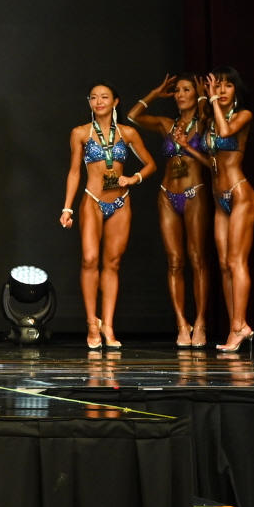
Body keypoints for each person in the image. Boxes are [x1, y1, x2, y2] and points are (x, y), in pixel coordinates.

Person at [60, 84, 156, 349]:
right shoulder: (80, 133)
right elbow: (74, 172)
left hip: (120, 202)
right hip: (92, 200)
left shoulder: (128, 133)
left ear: (115, 102)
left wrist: (133, 178)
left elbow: (151, 164)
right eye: (93, 97)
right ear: (89, 102)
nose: (98, 101)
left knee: (112, 263)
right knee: (90, 259)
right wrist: (67, 207)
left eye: (104, 97)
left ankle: (108, 326)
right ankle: (92, 323)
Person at [128, 74, 212, 346]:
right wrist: (156, 92)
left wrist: (203, 95)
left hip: (194, 193)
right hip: (167, 195)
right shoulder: (167, 124)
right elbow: (133, 116)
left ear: (195, 93)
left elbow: (208, 117)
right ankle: (181, 323)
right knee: (175, 261)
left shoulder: (204, 123)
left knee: (197, 259)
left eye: (186, 90)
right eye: (177, 90)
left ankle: (201, 322)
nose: (180, 94)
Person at [202, 67, 254, 353]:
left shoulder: (242, 115)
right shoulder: (212, 120)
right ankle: (237, 325)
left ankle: (239, 327)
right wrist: (188, 147)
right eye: (217, 86)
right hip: (218, 198)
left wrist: (212, 99)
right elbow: (213, 158)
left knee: (237, 261)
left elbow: (226, 132)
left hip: (240, 196)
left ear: (236, 91)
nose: (221, 91)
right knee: (224, 265)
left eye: (227, 86)